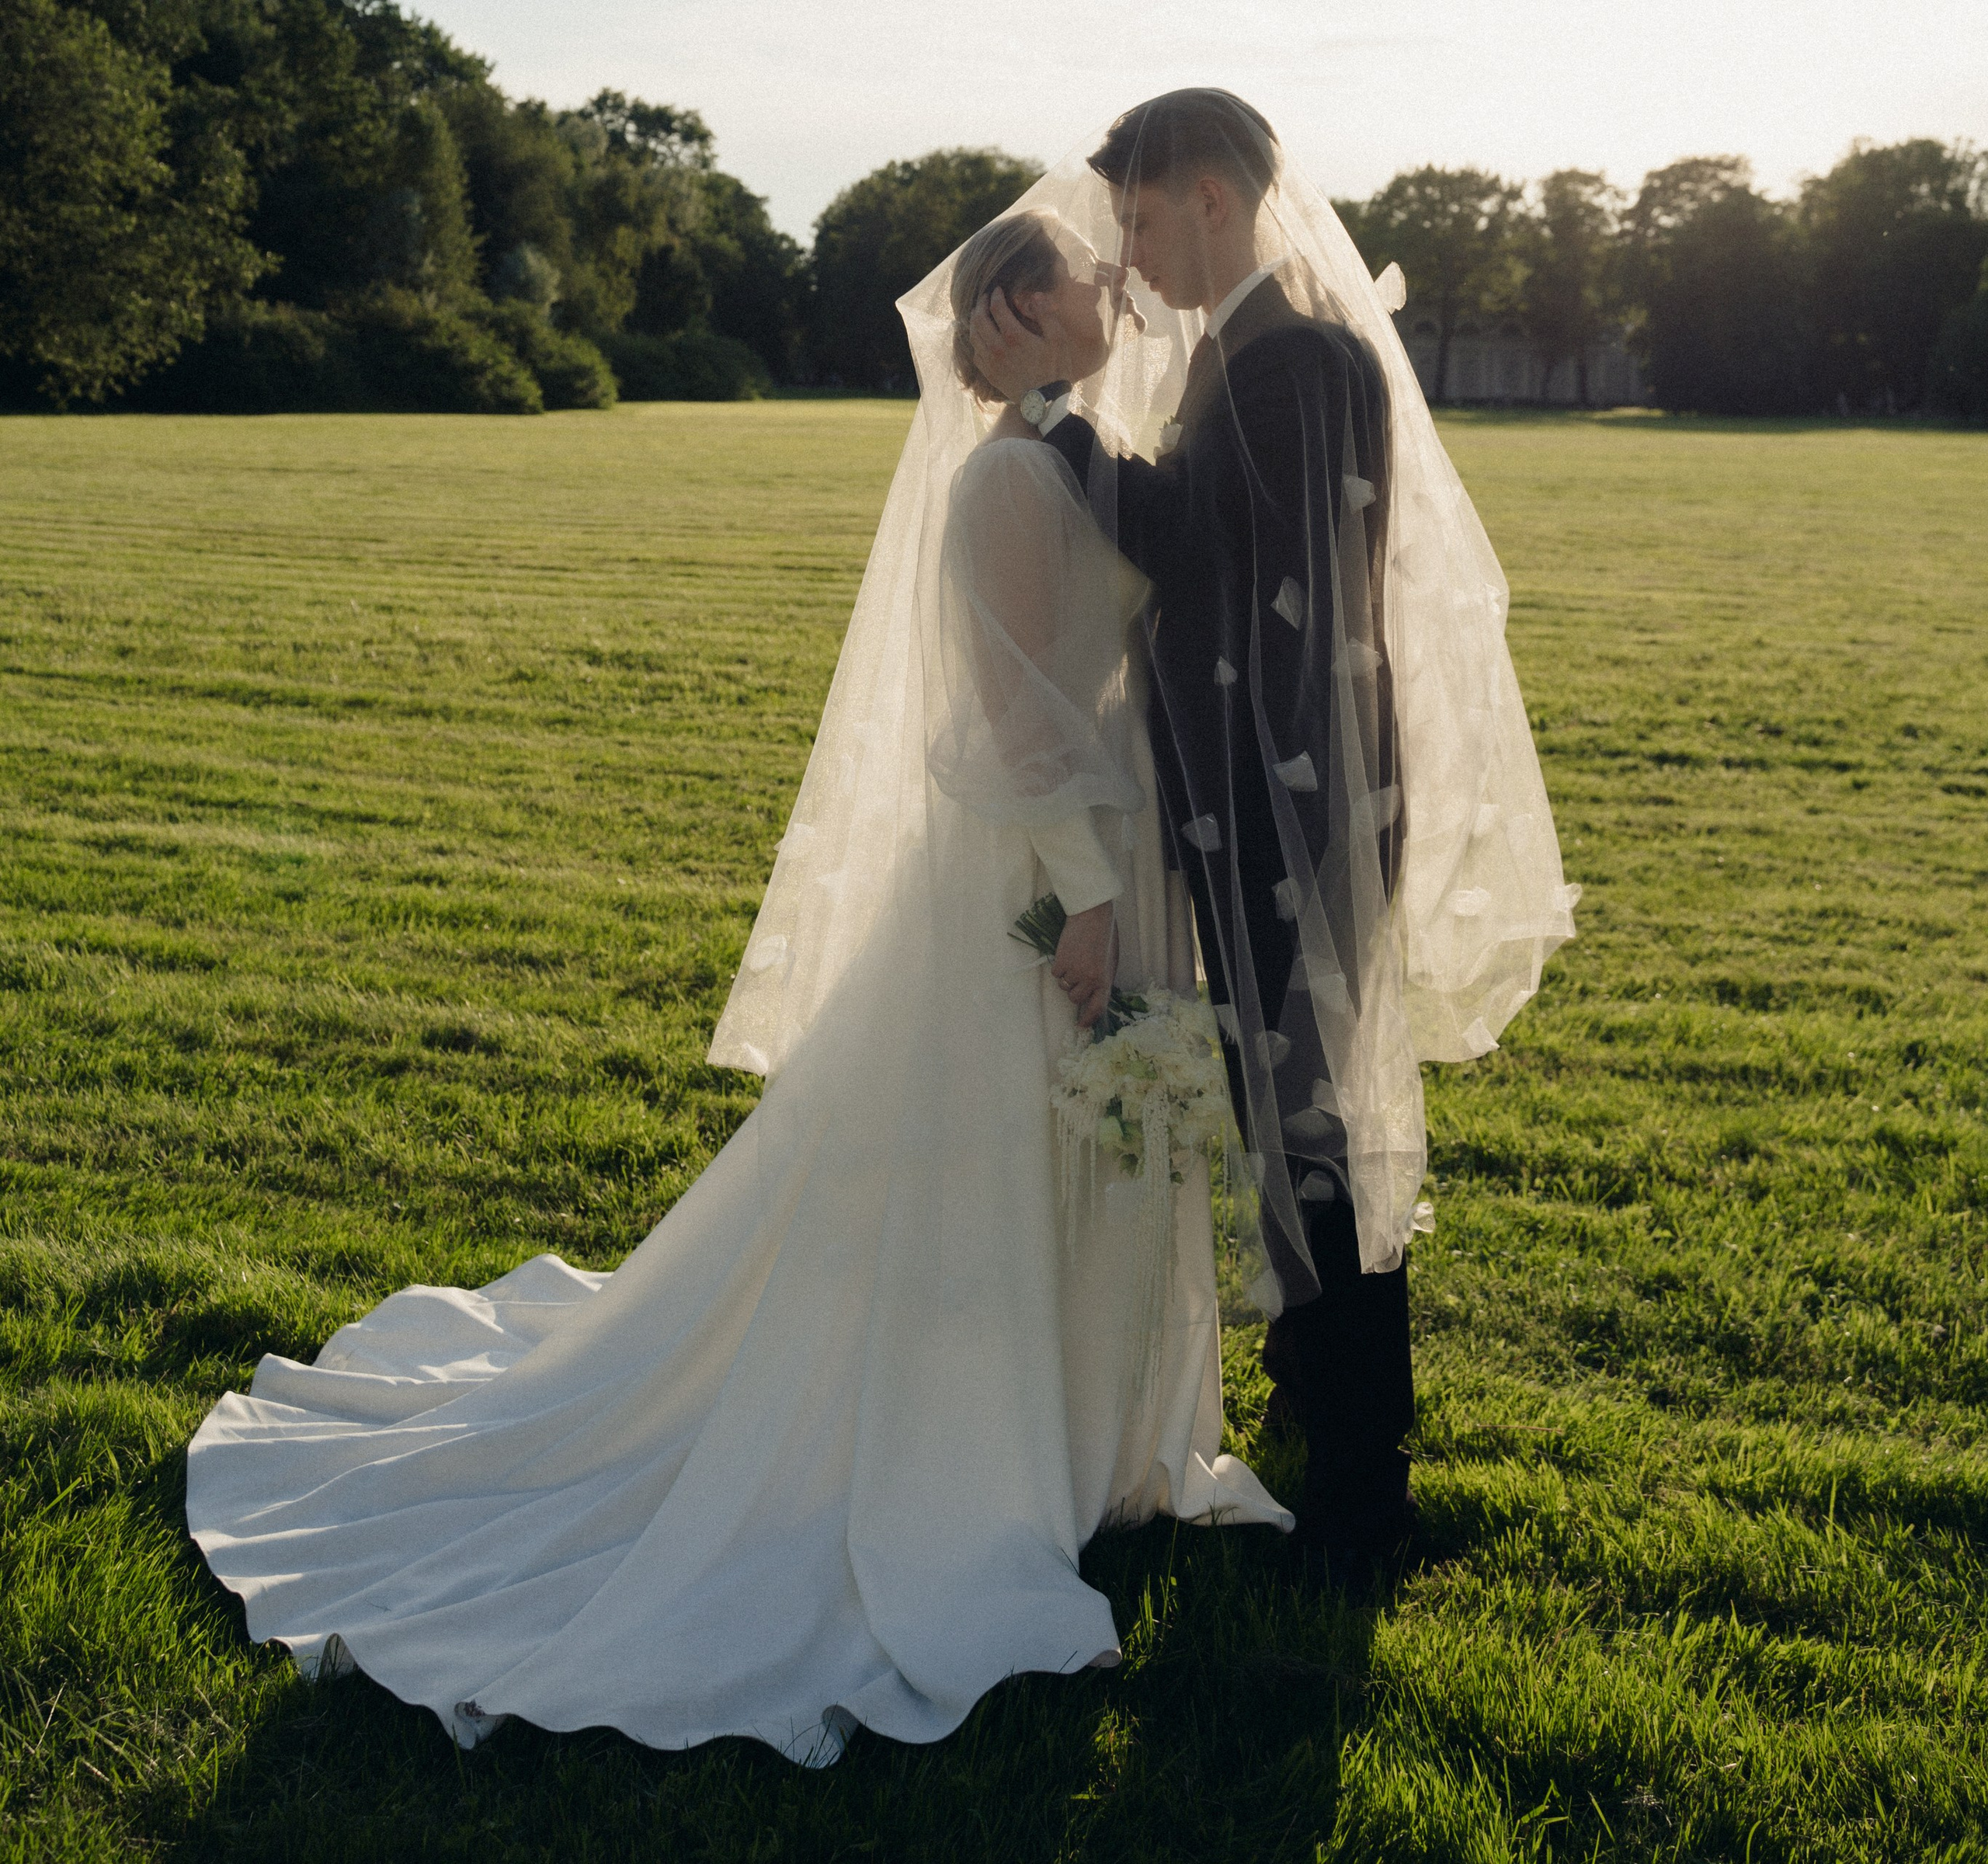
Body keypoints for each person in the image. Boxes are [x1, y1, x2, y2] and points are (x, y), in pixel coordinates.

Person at [183, 203, 1285, 1770]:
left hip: (1102, 856)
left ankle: (1064, 1445)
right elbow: (1008, 721)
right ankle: (956, 1461)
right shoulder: (1006, 477)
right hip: (1040, 881)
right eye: (1081, 278)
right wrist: (1094, 902)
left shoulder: (1083, 459)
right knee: (988, 1162)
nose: (1116, 292)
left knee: (1066, 1160)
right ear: (1003, 318)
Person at [971, 89, 1578, 1589]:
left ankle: (1368, 1497)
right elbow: (1222, 558)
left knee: (1322, 1142)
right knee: (1295, 1125)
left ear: (1211, 198)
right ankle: (1321, 1412)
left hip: (1288, 809)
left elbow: (1256, 592)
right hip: (1274, 800)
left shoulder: (1288, 353)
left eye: (1141, 217)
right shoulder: (1265, 342)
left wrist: (1059, 436)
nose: (1130, 252)